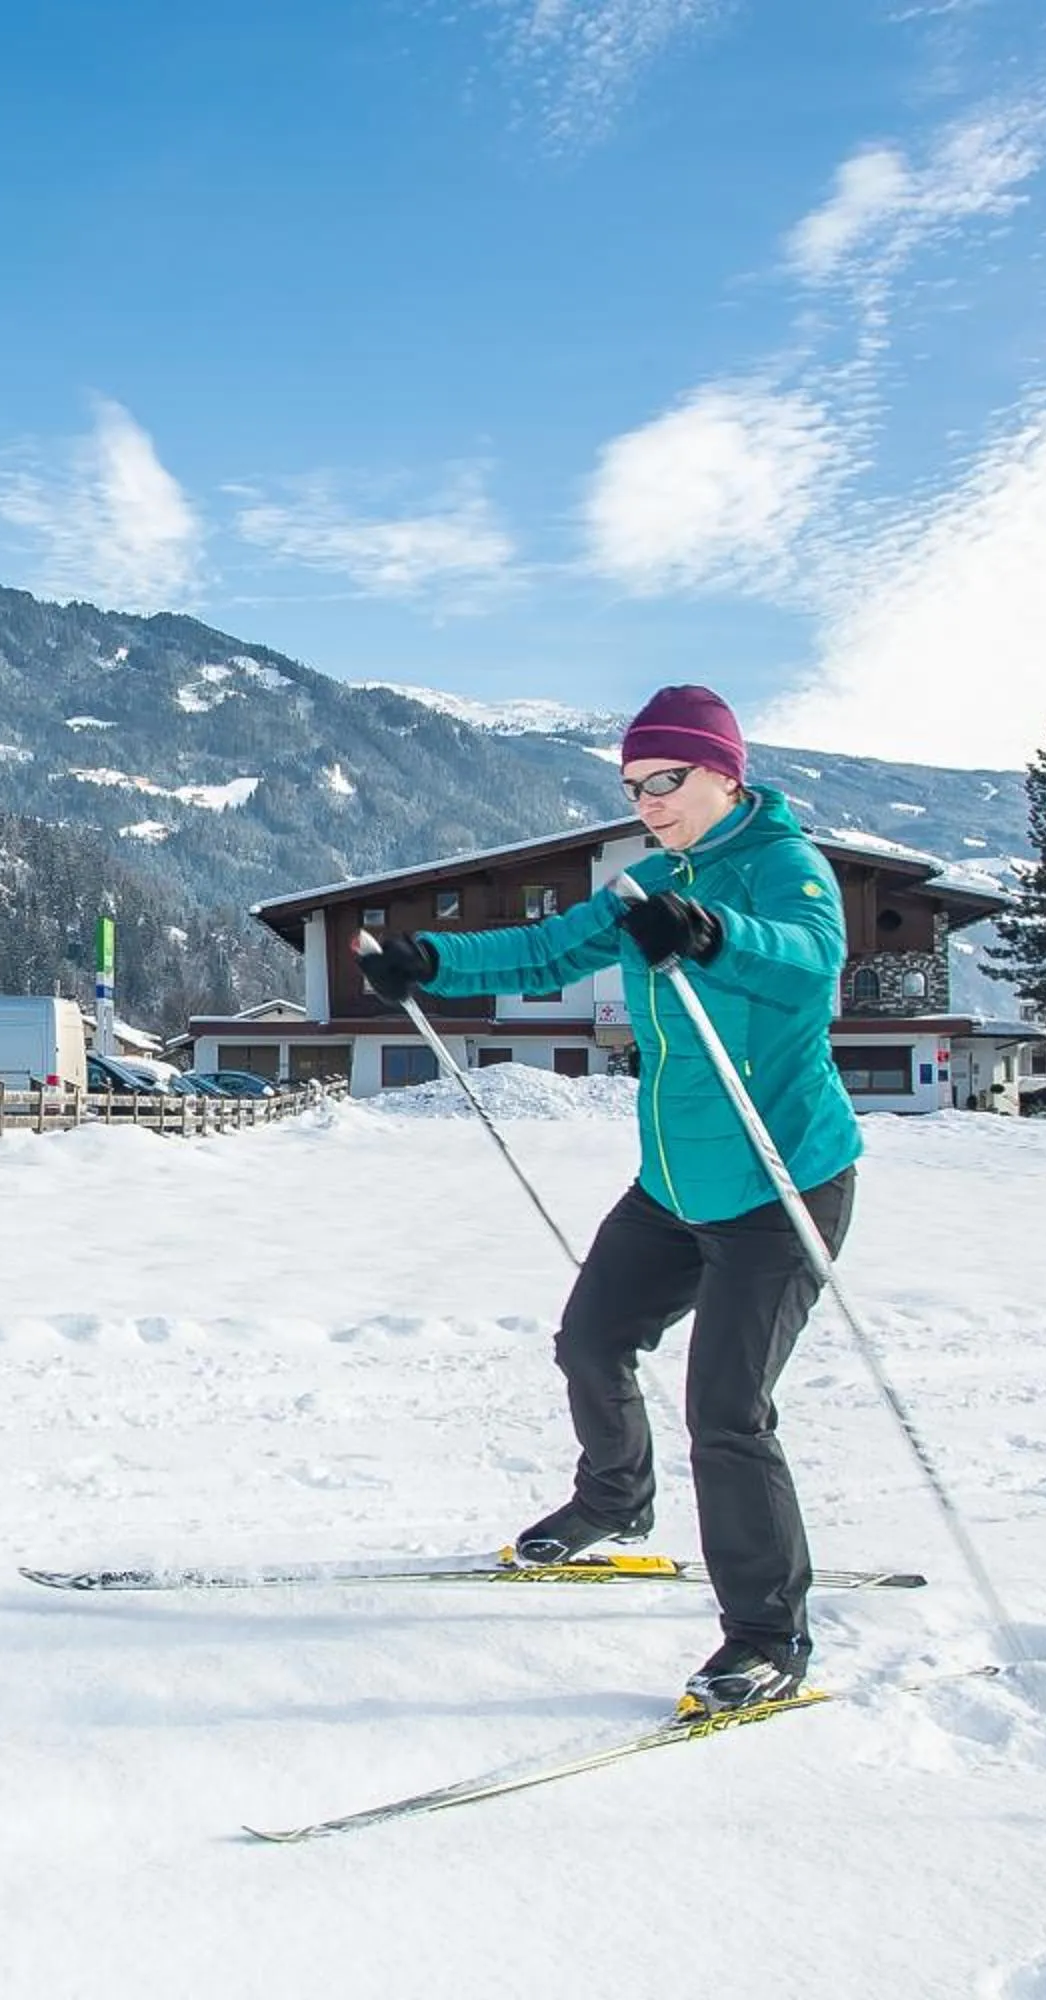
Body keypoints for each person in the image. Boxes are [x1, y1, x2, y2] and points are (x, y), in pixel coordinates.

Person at [357, 684, 860, 1718]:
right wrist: (431, 959)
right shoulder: (645, 885)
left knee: (726, 1411)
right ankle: (616, 1499)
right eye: (633, 786)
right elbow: (546, 948)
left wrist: (717, 932)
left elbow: (814, 965)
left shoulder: (786, 868)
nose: (648, 802)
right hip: (675, 1184)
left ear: (725, 770)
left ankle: (768, 1636)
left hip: (780, 1184)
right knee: (591, 1338)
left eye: (664, 781)